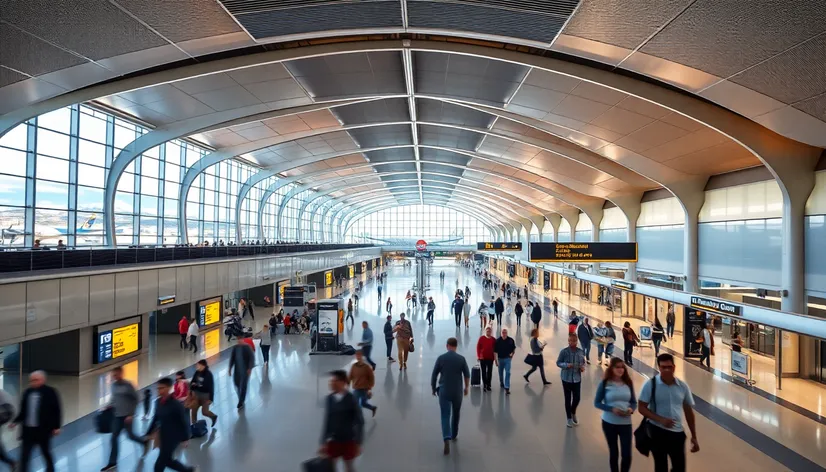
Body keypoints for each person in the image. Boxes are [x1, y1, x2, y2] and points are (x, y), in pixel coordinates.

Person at [638, 354, 700, 472]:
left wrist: (694, 436)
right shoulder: (650, 385)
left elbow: (688, 411)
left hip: (677, 433)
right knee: (661, 466)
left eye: (669, 367)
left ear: (674, 367)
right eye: (663, 367)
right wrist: (660, 419)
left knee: (679, 467)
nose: (667, 370)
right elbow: (641, 408)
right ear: (659, 367)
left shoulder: (682, 386)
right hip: (657, 432)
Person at [101, 366, 149, 471]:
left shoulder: (128, 385)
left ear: (121, 374)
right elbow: (113, 398)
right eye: (113, 375)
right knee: (114, 438)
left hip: (127, 417)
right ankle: (112, 462)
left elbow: (137, 399)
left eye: (116, 374)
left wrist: (131, 414)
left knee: (130, 436)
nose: (114, 377)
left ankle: (143, 441)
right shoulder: (113, 386)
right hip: (117, 416)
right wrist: (108, 405)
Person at [12, 371, 61, 472]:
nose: (33, 382)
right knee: (25, 455)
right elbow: (23, 411)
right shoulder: (27, 393)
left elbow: (56, 410)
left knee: (45, 452)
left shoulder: (50, 392)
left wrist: (56, 426)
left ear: (43, 380)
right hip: (28, 431)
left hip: (43, 430)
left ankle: (50, 469)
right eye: (31, 380)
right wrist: (15, 421)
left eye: (36, 380)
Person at [594, 358, 637, 472]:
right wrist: (611, 409)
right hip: (609, 423)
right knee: (614, 453)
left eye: (622, 367)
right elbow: (597, 403)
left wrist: (630, 409)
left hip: (625, 423)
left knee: (626, 454)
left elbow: (633, 402)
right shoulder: (605, 383)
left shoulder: (628, 383)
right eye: (617, 367)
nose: (620, 369)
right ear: (611, 368)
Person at [430, 337, 470, 455]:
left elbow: (434, 375)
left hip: (444, 390)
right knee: (456, 413)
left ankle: (446, 437)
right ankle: (454, 434)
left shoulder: (441, 358)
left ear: (447, 346)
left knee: (445, 415)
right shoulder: (461, 359)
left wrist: (433, 388)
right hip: (457, 391)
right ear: (456, 346)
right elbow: (467, 375)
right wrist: (466, 387)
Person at [146, 377, 196, 472]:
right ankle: (189, 470)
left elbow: (183, 421)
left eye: (162, 388)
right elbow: (155, 418)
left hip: (174, 437)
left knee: (159, 465)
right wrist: (148, 433)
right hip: (163, 435)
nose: (160, 391)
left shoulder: (176, 405)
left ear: (169, 388)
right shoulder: (157, 402)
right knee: (168, 460)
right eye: (158, 388)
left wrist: (185, 438)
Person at [320, 370, 364, 472]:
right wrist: (323, 441)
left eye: (335, 381)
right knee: (330, 466)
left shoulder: (351, 399)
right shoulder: (329, 399)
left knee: (349, 467)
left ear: (343, 383)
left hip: (348, 440)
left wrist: (358, 442)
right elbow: (328, 420)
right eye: (331, 381)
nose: (331, 383)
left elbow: (360, 421)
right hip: (333, 439)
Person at [556, 333, 586, 427]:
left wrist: (582, 368)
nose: (571, 343)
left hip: (577, 378)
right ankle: (568, 418)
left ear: (577, 341)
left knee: (577, 398)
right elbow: (558, 362)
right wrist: (566, 365)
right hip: (566, 378)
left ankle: (573, 412)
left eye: (574, 341)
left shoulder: (580, 352)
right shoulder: (564, 352)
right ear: (568, 341)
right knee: (568, 398)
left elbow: (583, 363)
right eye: (570, 341)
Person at [348, 350, 377, 417]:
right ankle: (358, 417)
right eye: (357, 355)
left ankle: (372, 408)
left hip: (364, 389)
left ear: (362, 356)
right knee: (356, 404)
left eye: (359, 355)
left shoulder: (366, 367)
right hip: (356, 388)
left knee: (363, 403)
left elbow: (371, 378)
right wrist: (347, 384)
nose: (358, 356)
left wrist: (369, 389)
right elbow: (350, 376)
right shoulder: (353, 366)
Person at [228, 338, 254, 409]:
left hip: (245, 371)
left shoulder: (247, 347)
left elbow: (251, 358)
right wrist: (230, 368)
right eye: (238, 339)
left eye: (240, 339)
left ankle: (241, 401)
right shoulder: (235, 348)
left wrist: (250, 368)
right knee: (237, 384)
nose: (239, 341)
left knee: (243, 386)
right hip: (237, 370)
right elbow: (232, 358)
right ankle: (240, 398)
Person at [189, 360, 217, 426]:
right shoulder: (197, 372)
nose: (197, 366)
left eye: (198, 365)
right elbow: (192, 381)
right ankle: (194, 425)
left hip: (205, 396)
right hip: (196, 395)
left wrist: (211, 399)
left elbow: (211, 387)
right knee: (194, 410)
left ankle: (213, 416)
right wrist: (192, 387)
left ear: (203, 366)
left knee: (204, 412)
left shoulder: (209, 375)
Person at [494, 328, 516, 394]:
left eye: (505, 332)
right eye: (503, 332)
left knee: (508, 372)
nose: (504, 334)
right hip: (500, 359)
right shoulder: (497, 341)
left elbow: (513, 349)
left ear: (507, 333)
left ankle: (507, 387)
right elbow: (495, 352)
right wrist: (496, 360)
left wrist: (512, 355)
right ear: (501, 333)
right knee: (500, 373)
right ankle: (501, 382)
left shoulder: (511, 340)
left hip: (507, 359)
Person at [0, 388, 16, 470]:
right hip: (6, 412)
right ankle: (11, 462)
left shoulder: (2, 394)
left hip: (6, 411)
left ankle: (11, 462)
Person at [476, 326, 496, 392]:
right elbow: (478, 348)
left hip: (490, 358)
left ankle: (488, 385)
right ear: (485, 331)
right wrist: (479, 356)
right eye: (487, 331)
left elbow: (496, 349)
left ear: (491, 332)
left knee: (489, 372)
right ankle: (484, 385)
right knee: (484, 372)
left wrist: (495, 359)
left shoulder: (493, 339)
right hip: (483, 358)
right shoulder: (481, 338)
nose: (488, 332)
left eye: (489, 331)